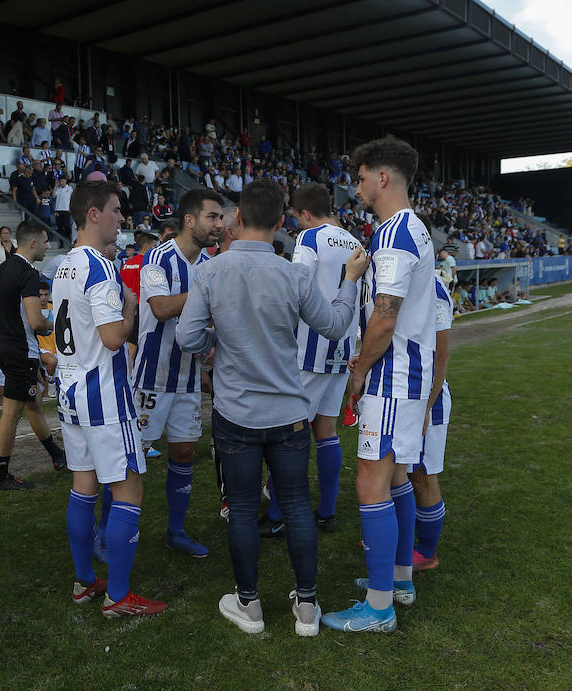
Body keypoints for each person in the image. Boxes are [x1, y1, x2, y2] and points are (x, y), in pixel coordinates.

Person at [177, 179, 367, 637]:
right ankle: (307, 606)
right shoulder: (292, 274)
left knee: (243, 508)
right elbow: (338, 325)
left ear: (238, 219)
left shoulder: (211, 272)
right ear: (282, 222)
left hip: (238, 412)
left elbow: (186, 337)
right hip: (289, 413)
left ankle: (250, 605)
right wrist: (348, 281)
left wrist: (213, 344)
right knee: (298, 504)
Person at [327, 136, 434, 634]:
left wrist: (359, 370)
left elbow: (384, 319)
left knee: (370, 481)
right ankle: (399, 579)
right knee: (395, 479)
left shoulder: (395, 235)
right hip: (408, 378)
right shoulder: (410, 230)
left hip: (392, 378)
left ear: (382, 177)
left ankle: (378, 606)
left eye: (361, 177)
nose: (358, 187)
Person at [53, 181, 167, 619]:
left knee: (83, 485)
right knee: (128, 487)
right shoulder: (100, 267)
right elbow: (112, 338)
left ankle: (85, 582)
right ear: (93, 214)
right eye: (117, 211)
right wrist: (131, 308)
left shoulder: (64, 264)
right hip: (102, 392)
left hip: (70, 390)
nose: (122, 219)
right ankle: (118, 596)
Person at [124, 189, 223, 561]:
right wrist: (204, 293)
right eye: (212, 217)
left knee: (184, 452)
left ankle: (176, 532)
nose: (219, 225)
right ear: (189, 219)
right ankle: (107, 530)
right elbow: (162, 308)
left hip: (188, 378)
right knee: (132, 459)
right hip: (152, 376)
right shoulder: (158, 259)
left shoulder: (209, 264)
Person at [260, 184, 363, 536]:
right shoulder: (354, 242)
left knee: (288, 433)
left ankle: (277, 515)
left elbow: (298, 286)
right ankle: (327, 512)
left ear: (304, 213)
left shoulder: (309, 238)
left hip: (310, 346)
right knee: (327, 430)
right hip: (342, 345)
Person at [0, 220, 66, 490]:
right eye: (45, 241)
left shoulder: (0, 271)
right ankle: (0, 476)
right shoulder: (28, 274)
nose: (47, 246)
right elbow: (35, 321)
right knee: (11, 412)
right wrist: (54, 323)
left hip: (3, 346)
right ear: (32, 243)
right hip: (21, 350)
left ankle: (57, 456)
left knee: (32, 404)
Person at [406, 277, 453, 574]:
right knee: (401, 474)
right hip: (402, 394)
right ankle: (398, 540)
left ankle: (426, 551)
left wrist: (427, 404)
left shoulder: (433, 289)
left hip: (426, 398)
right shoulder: (404, 280)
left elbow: (441, 356)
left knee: (424, 477)